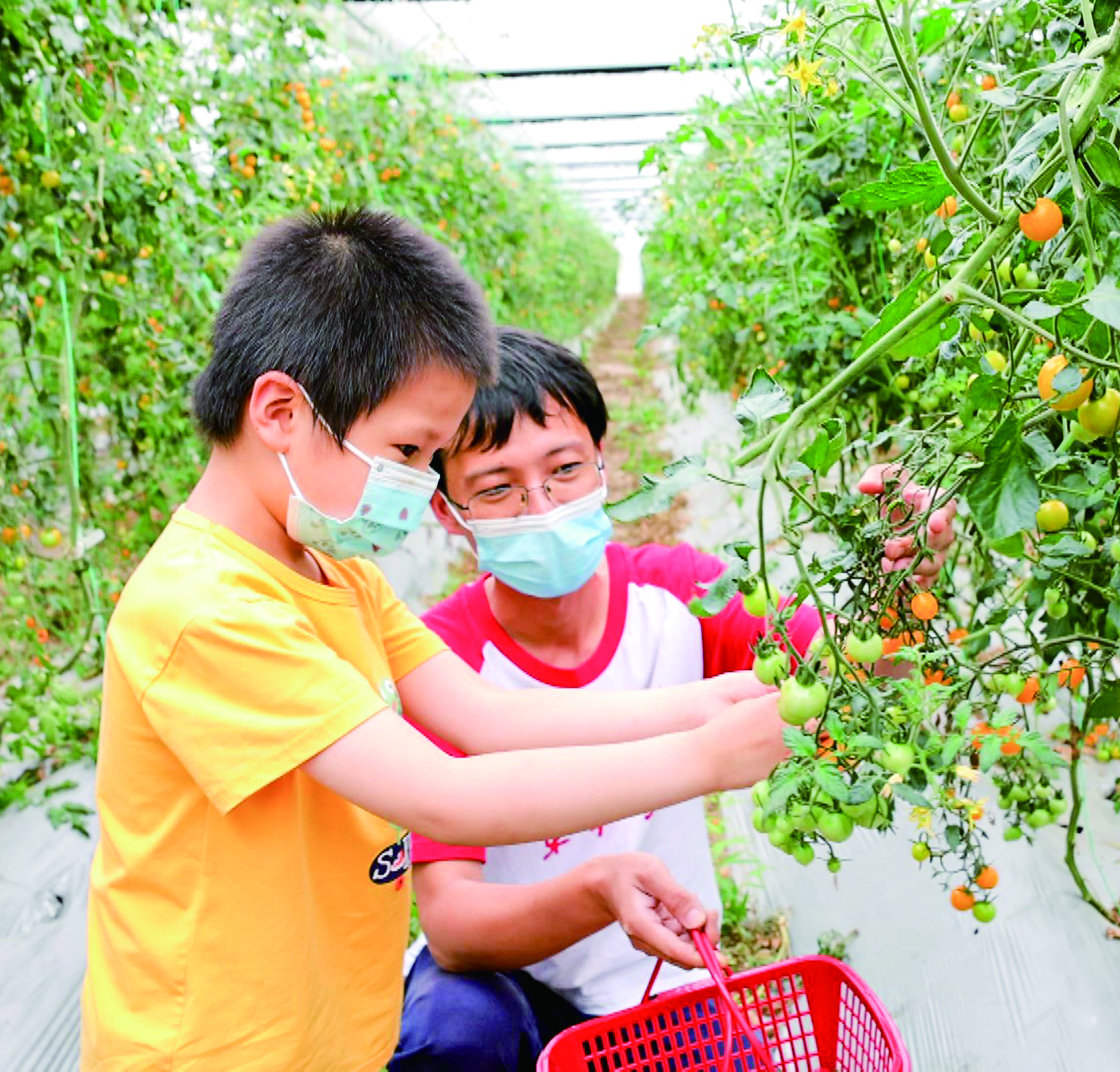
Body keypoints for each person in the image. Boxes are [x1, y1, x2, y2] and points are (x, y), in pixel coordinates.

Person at [80, 208, 791, 1072]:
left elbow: (489, 720)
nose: (420, 488)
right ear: (279, 410)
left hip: (330, 1027)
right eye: (409, 449)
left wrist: (709, 702)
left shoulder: (334, 573)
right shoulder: (206, 608)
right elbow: (445, 795)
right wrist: (704, 760)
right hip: (215, 1047)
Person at [390, 327, 956, 1071]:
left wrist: (902, 580)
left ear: (601, 462)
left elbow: (850, 666)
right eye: (496, 488)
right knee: (454, 1041)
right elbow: (457, 926)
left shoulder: (681, 593)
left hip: (658, 983)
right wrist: (597, 890)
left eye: (564, 470)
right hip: (504, 978)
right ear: (446, 510)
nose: (541, 506)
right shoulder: (444, 661)